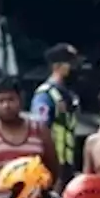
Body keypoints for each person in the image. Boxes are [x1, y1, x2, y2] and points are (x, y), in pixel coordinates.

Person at [30, 43, 81, 181]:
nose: (75, 68)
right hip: (51, 166)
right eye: (70, 64)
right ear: (56, 66)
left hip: (67, 165)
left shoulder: (69, 95)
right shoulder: (46, 95)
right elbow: (40, 130)